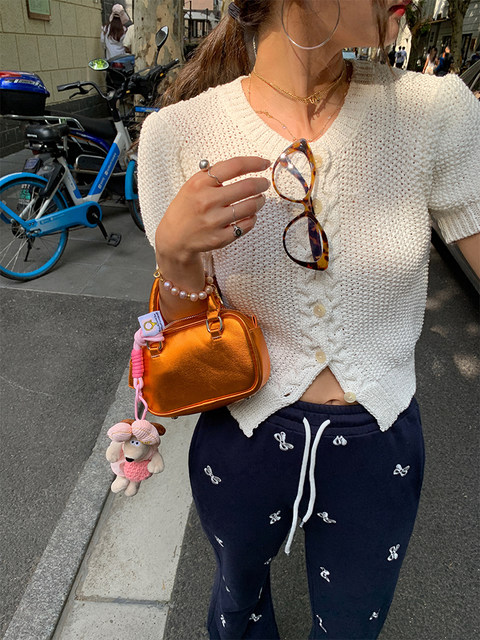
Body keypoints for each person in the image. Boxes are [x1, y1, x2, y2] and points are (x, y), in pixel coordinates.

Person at [137, 1, 480, 638]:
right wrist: (176, 256)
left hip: (378, 437)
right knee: (238, 610)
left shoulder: (434, 112)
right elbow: (183, 342)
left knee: (352, 626)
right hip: (244, 432)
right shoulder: (178, 134)